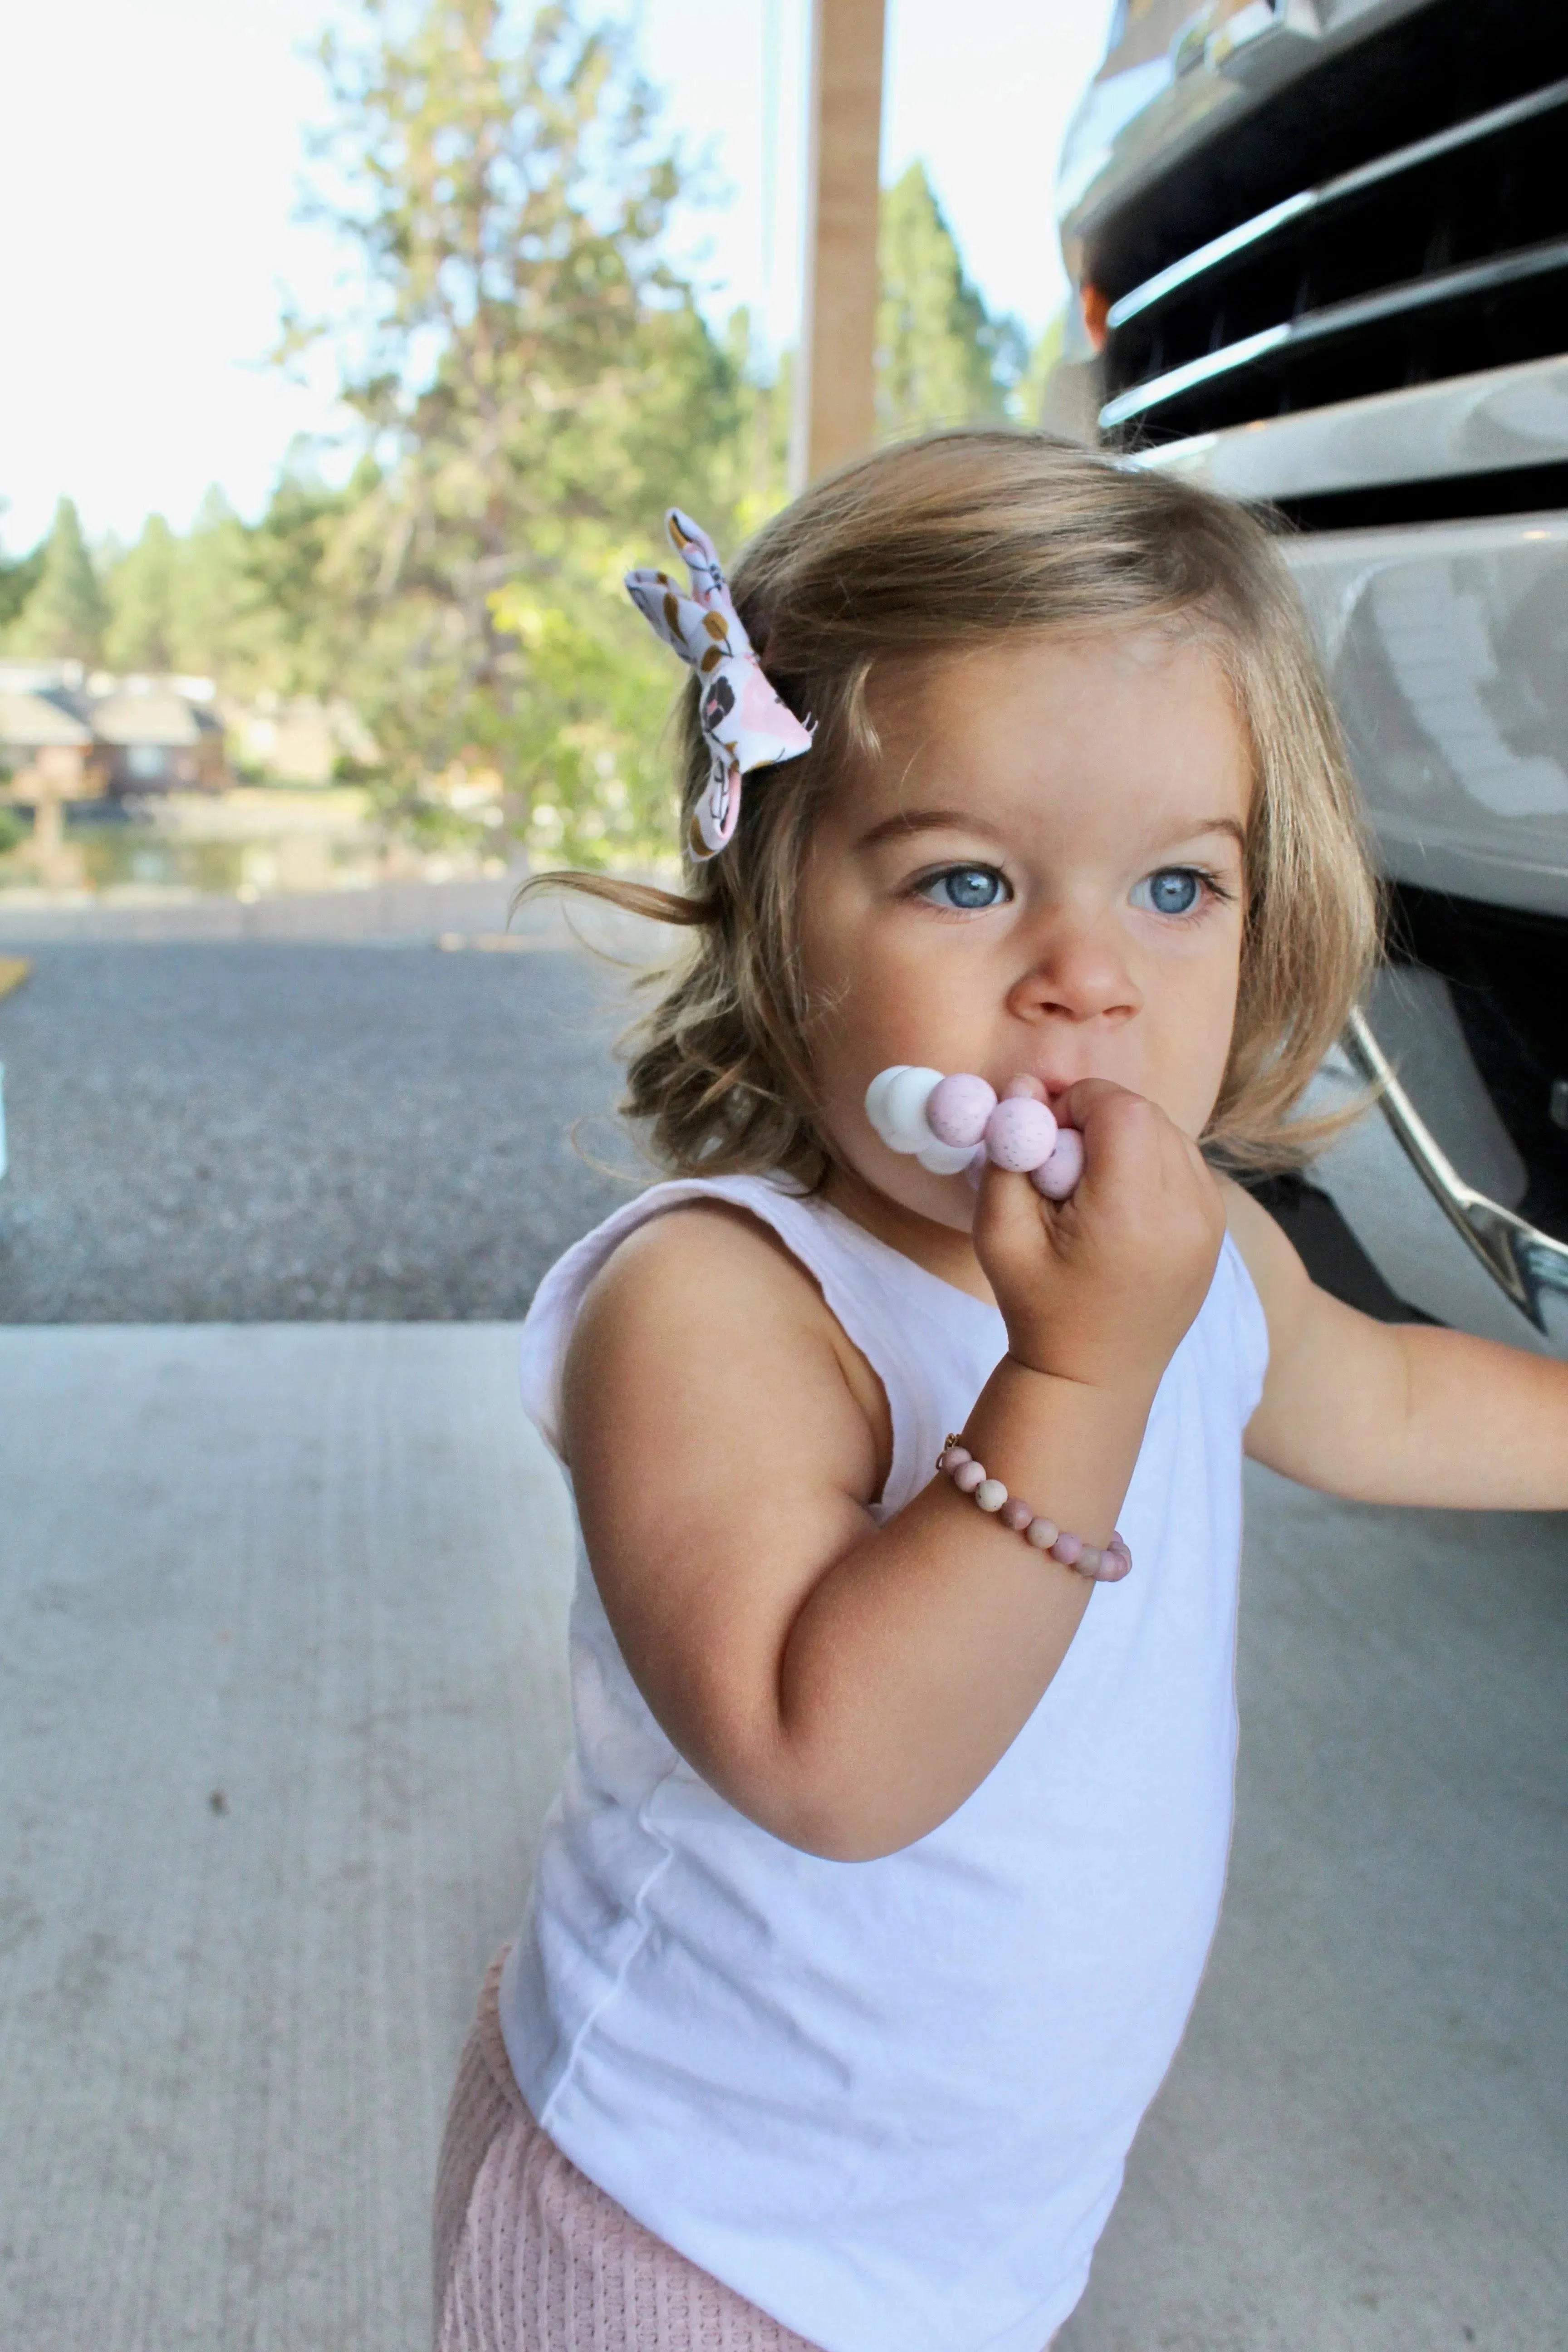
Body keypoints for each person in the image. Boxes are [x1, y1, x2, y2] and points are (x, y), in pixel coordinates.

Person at [432, 432, 1568, 2352]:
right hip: (684, 2231)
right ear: (777, 912)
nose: (1087, 979)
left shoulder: (1196, 1241)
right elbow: (831, 1757)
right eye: (968, 880)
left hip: (969, 2246)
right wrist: (1074, 1373)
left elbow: (1372, 1400)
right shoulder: (721, 1305)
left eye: (1177, 890)